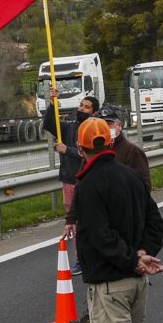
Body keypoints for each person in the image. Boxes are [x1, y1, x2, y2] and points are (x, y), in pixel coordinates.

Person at [73, 118, 163, 323]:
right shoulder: (131, 175)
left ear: (80, 148)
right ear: (110, 142)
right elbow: (155, 221)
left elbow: (101, 236)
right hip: (138, 283)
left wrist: (133, 260)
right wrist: (143, 252)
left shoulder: (88, 185)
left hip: (110, 283)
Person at [43, 86, 99, 275]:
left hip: (91, 180)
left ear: (95, 112)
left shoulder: (96, 130)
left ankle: (98, 254)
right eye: (81, 106)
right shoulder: (69, 127)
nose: (82, 109)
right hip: (70, 181)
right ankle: (81, 259)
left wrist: (69, 151)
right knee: (74, 222)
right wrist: (52, 103)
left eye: (87, 107)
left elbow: (94, 153)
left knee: (93, 219)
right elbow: (50, 124)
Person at [97, 105, 151, 189]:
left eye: (109, 124)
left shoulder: (132, 151)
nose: (105, 128)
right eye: (101, 125)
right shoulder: (92, 150)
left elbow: (144, 186)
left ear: (119, 125)